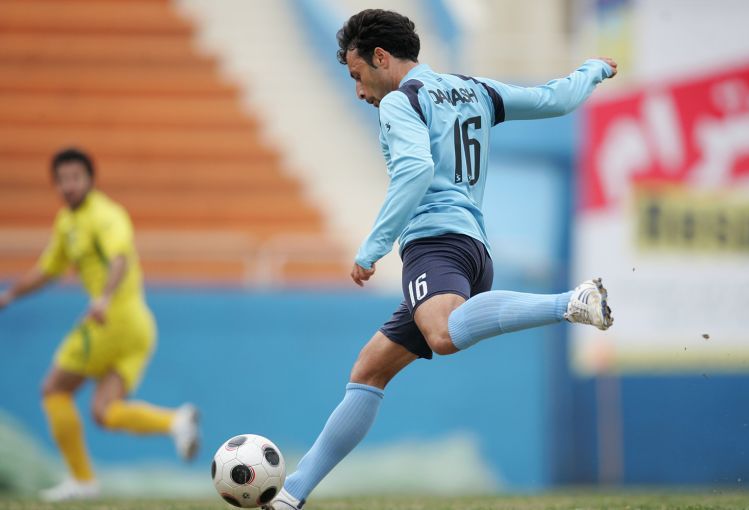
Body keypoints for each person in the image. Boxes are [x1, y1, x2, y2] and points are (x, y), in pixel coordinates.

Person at [265, 9, 616, 509]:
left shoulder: (400, 101)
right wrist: (591, 71)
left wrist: (372, 248)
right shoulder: (474, 89)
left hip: (434, 243)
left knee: (444, 334)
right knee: (369, 370)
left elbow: (414, 169)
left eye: (358, 75)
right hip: (472, 248)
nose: (359, 91)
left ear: (380, 57)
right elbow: (553, 99)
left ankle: (569, 302)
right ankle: (290, 496)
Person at [0, 148, 200, 502]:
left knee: (54, 389)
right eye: (62, 179)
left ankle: (82, 479)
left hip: (109, 319)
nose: (69, 185)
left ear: (91, 179)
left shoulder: (105, 215)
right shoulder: (67, 222)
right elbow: (48, 269)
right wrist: (11, 294)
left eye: (75, 177)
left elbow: (119, 258)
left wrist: (103, 298)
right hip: (138, 327)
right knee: (104, 412)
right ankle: (175, 421)